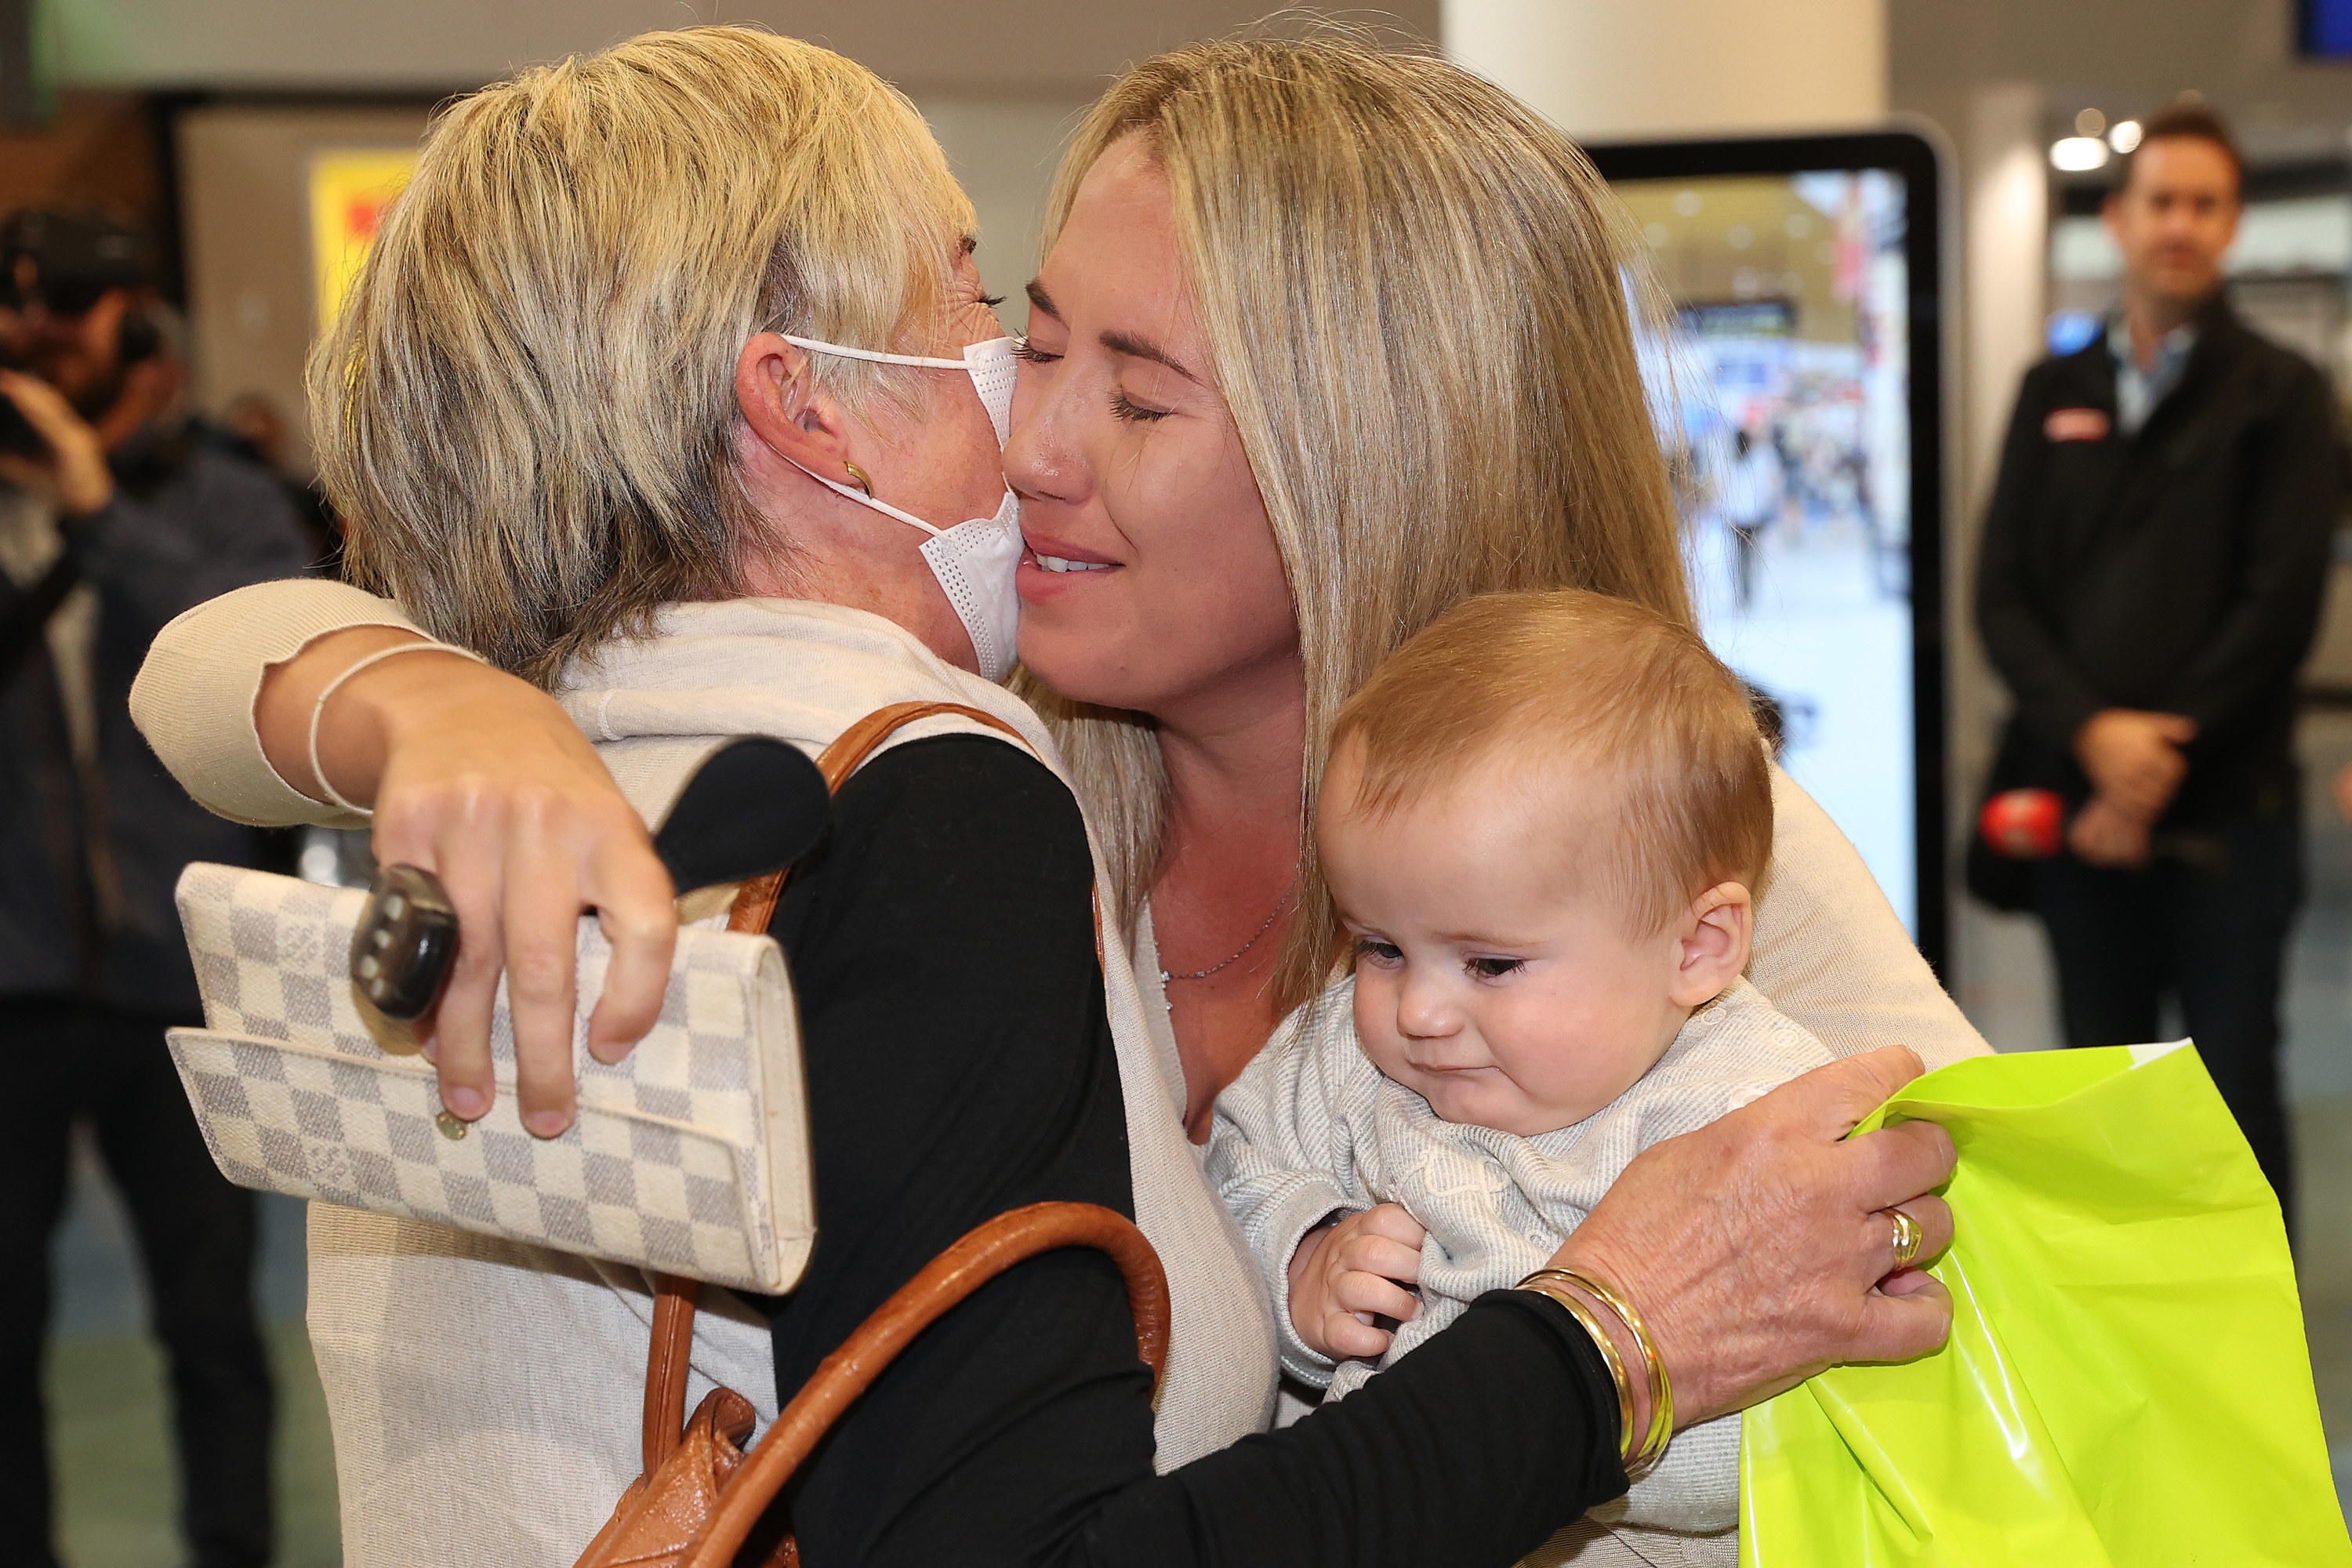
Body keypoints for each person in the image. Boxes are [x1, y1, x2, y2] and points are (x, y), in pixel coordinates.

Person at [128, 30, 1976, 1564]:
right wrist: (413, 692)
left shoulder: (1659, 854)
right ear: (805, 409)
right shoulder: (943, 769)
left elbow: (1991, 1303)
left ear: (1369, 449)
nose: (1027, 432)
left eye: (1137, 390)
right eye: (1019, 330)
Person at [1210, 590, 1832, 1568]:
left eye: (1490, 964)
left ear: (1698, 946)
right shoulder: (1349, 1055)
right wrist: (1303, 1250)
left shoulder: (1754, 1117)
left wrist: (1576, 1413)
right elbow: (1232, 1173)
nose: (1418, 1009)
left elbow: (1797, 1417)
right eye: (1377, 944)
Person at [0, 209, 306, 1568]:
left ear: (140, 331)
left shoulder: (220, 496)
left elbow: (254, 673)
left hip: (179, 976)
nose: (39, 337)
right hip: (10, 991)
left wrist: (96, 512)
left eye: (70, 309)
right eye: (22, 310)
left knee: (211, 1330)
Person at [1975, 101, 2343, 1226]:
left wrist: (2151, 766)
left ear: (2230, 225)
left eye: (2205, 204)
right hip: (2081, 821)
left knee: (2233, 1096)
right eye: (2161, 202)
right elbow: (2003, 594)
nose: (2180, 224)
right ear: (2123, 220)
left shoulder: (2282, 396)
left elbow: (2275, 609)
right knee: (2102, 1090)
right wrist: (2095, 740)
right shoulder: (2056, 393)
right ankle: (2123, 1338)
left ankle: (2248, 1358)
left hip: (2231, 820)